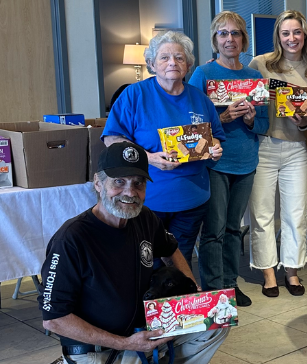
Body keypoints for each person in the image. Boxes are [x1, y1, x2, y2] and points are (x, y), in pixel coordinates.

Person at [39, 142, 228, 364]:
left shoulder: (145, 218)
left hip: (146, 328)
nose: (130, 192)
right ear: (98, 184)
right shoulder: (71, 239)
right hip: (99, 347)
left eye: (138, 183)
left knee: (214, 324)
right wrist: (127, 344)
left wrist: (192, 292)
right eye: (119, 182)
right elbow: (54, 319)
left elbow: (171, 250)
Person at [103, 31, 225, 274]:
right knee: (146, 262)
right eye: (165, 58)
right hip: (147, 201)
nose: (173, 63)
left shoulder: (201, 100)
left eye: (179, 58)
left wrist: (216, 148)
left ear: (189, 65)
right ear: (151, 64)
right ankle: (145, 310)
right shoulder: (134, 95)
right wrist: (148, 158)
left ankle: (174, 307)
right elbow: (112, 139)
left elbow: (217, 136)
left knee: (180, 261)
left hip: (192, 200)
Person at [189, 11, 269, 307]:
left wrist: (249, 120)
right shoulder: (203, 74)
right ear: (215, 40)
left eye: (235, 33)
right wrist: (222, 117)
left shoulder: (255, 77)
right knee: (214, 229)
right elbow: (192, 128)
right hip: (215, 163)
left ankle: (230, 284)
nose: (229, 39)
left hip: (246, 161)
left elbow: (264, 125)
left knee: (234, 228)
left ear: (243, 39)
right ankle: (214, 290)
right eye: (223, 33)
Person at [247, 10, 307, 298]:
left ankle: (292, 270)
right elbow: (244, 93)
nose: (292, 38)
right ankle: (268, 272)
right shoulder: (261, 63)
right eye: (285, 33)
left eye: (297, 32)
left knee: (296, 213)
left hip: (295, 149)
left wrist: (303, 120)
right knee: (262, 213)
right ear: (278, 36)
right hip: (263, 145)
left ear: (305, 35)